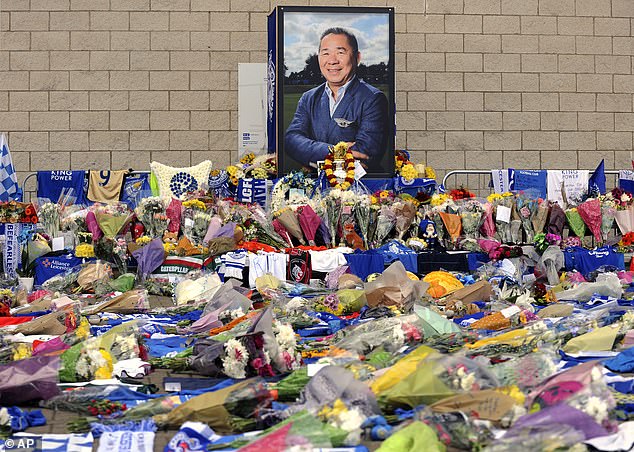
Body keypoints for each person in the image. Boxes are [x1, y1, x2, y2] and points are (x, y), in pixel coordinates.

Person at [284, 27, 389, 173]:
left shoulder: (373, 98)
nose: (332, 61)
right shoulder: (308, 98)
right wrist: (333, 152)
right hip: (315, 188)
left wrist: (310, 156)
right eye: (325, 53)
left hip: (360, 189)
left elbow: (364, 155)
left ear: (357, 57)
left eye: (340, 52)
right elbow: (291, 140)